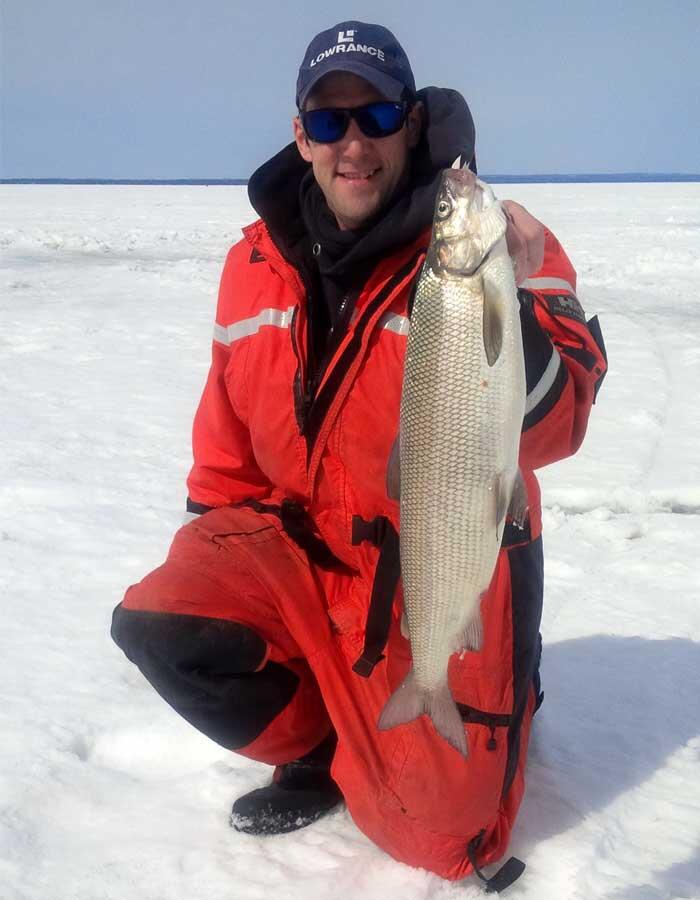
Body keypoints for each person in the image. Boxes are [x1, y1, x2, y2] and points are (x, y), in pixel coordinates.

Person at [111, 21, 607, 887]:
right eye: (329, 120)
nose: (354, 144)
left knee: (446, 840)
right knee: (165, 623)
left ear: (410, 125)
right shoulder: (254, 265)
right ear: (301, 134)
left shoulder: (509, 248)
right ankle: (323, 742)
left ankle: (485, 706)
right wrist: (215, 579)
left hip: (439, 555)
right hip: (307, 561)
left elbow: (561, 423)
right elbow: (227, 457)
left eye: (375, 114)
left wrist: (522, 301)